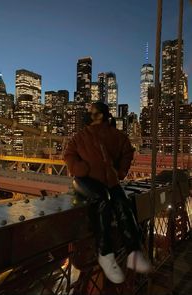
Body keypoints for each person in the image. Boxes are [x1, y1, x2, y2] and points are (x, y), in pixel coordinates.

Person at [64, 101, 151, 284]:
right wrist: (80, 168)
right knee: (103, 200)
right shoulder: (81, 136)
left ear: (101, 115)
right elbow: (68, 155)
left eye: (91, 111)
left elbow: (128, 151)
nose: (88, 114)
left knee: (123, 204)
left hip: (109, 180)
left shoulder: (116, 136)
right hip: (84, 180)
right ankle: (105, 254)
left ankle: (134, 253)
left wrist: (120, 172)